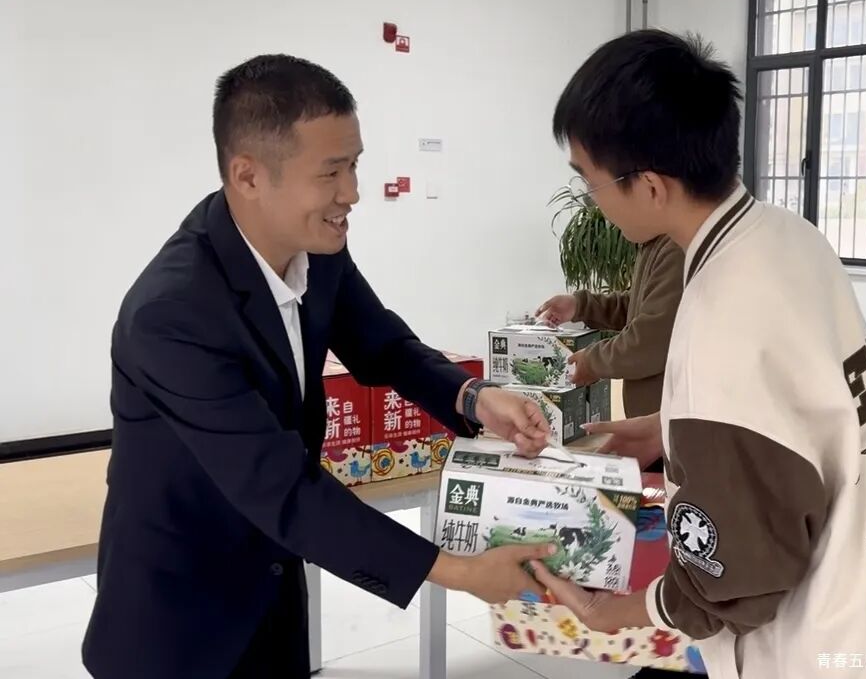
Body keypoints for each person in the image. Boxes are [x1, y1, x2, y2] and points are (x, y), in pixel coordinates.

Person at [81, 54, 555, 679]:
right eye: (331, 172)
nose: (351, 193)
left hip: (274, 590)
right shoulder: (172, 314)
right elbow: (280, 487)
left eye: (354, 164)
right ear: (248, 175)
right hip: (179, 620)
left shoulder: (316, 250)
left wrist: (474, 397)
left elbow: (382, 345)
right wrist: (461, 572)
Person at [529, 30, 866, 679]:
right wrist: (671, 429)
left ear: (649, 186)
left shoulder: (719, 314)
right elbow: (807, 408)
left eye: (590, 181)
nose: (592, 200)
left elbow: (737, 579)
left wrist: (611, 611)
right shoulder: (788, 236)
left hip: (839, 646)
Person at [536, 231, 683, 429]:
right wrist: (580, 305)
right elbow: (639, 307)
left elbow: (650, 342)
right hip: (655, 428)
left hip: (670, 429)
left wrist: (593, 361)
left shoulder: (676, 249)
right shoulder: (654, 244)